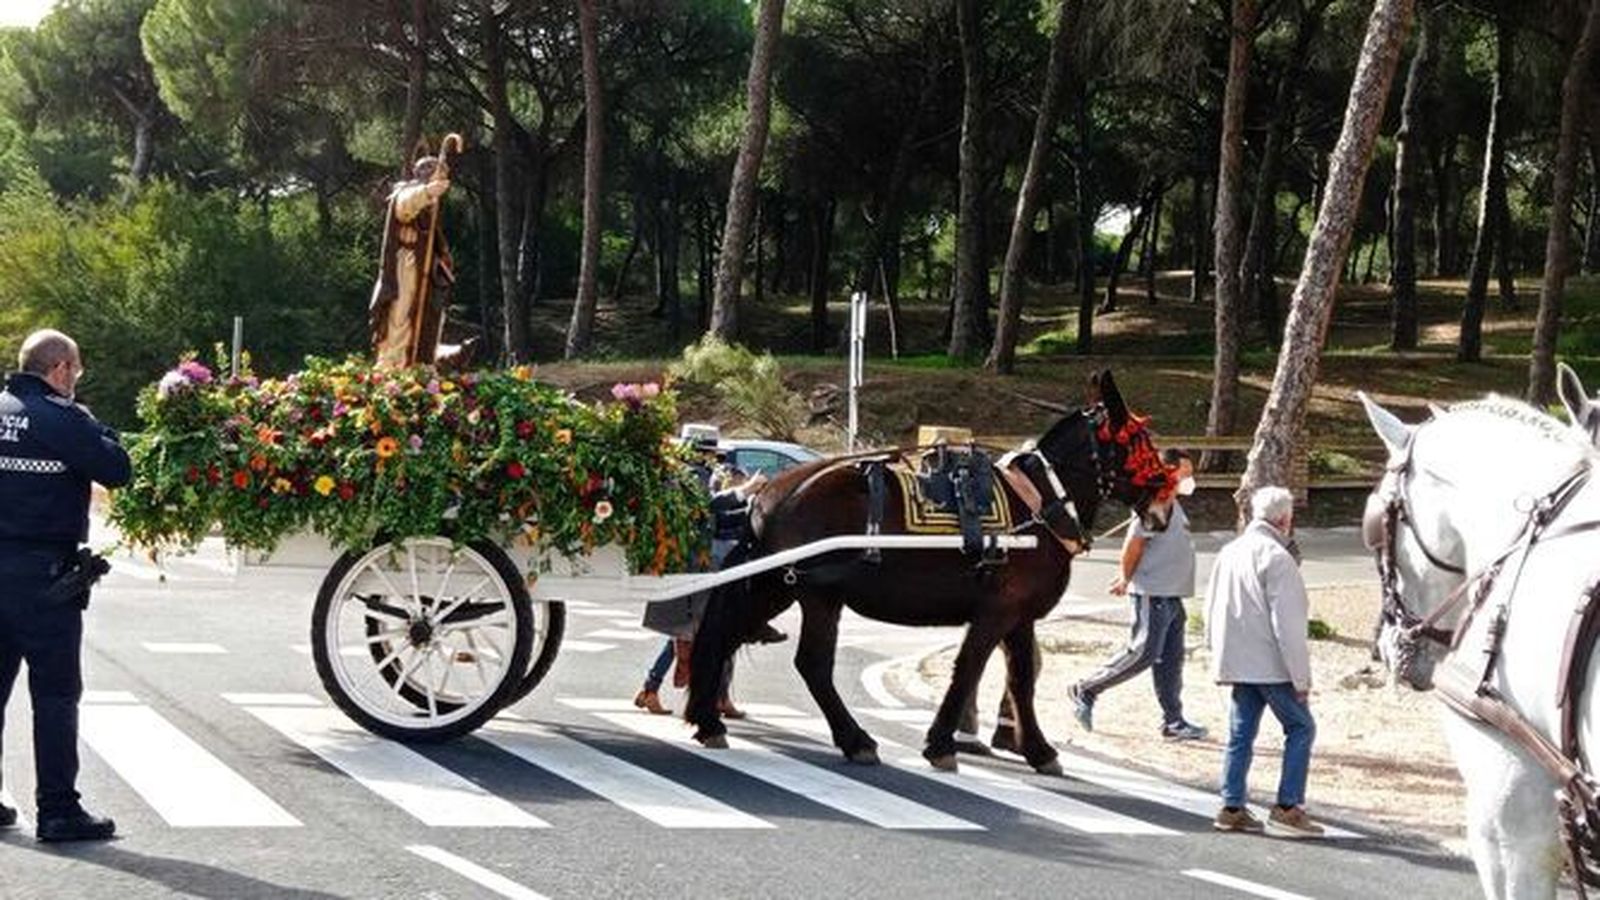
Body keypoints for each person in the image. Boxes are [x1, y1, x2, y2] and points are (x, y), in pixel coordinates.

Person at [0, 330, 130, 842]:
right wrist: (97, 425)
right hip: (43, 580)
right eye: (75, 370)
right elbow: (116, 468)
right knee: (55, 693)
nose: (75, 379)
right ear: (59, 370)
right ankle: (57, 809)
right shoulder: (61, 417)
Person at [1204, 485, 1323, 838]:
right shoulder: (1277, 557)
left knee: (1240, 733)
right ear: (1285, 519)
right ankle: (1288, 807)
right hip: (1271, 662)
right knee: (1301, 728)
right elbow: (1288, 624)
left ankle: (1232, 805)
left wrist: (1216, 653)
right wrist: (1301, 678)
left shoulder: (1230, 551)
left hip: (1237, 658)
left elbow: (1212, 605)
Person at [632, 442, 782, 717]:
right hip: (697, 561)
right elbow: (707, 506)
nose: (712, 458)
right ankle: (713, 696)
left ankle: (654, 688)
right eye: (709, 453)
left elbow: (713, 516)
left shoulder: (697, 474)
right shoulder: (690, 476)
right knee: (711, 628)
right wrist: (744, 492)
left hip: (700, 558)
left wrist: (746, 503)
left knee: (690, 632)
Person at [1066, 449, 1206, 742]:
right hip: (1152, 593)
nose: (1190, 478)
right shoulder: (1158, 504)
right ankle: (1086, 688)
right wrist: (1125, 577)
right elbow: (1135, 543)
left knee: (1171, 660)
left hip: (1171, 596)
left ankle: (1173, 721)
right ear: (1168, 471)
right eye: (1186, 472)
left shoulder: (1171, 503)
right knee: (1142, 653)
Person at [370, 155, 455, 367]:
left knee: (424, 312)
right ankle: (394, 362)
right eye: (438, 174)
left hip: (423, 267)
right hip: (404, 264)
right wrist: (427, 192)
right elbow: (404, 206)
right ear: (425, 174)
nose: (441, 180)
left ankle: (419, 361)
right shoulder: (406, 191)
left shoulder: (431, 205)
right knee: (401, 311)